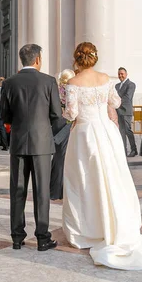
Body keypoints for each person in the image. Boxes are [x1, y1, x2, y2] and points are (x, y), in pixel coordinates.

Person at [62, 42, 142, 270]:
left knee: (84, 180)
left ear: (76, 58)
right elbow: (116, 102)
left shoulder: (72, 82)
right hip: (107, 132)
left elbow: (72, 113)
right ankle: (114, 225)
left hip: (84, 133)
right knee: (114, 177)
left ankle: (88, 230)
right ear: (95, 57)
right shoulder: (105, 78)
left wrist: (65, 110)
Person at [0, 43, 63, 252]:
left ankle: (17, 237)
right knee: (41, 191)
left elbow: (5, 115)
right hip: (42, 143)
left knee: (17, 190)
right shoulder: (48, 81)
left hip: (18, 142)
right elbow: (56, 114)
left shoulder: (9, 83)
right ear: (37, 60)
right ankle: (42, 237)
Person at [50, 69, 75, 200]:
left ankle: (55, 189)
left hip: (57, 123)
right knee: (65, 156)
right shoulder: (70, 90)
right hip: (67, 122)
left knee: (58, 156)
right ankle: (60, 190)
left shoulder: (56, 90)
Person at [116, 67, 138, 157]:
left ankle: (134, 149)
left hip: (126, 110)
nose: (120, 75)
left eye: (122, 74)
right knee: (121, 131)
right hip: (118, 111)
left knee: (127, 130)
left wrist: (116, 101)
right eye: (119, 74)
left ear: (126, 74)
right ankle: (123, 150)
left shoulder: (131, 84)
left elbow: (127, 97)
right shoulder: (116, 86)